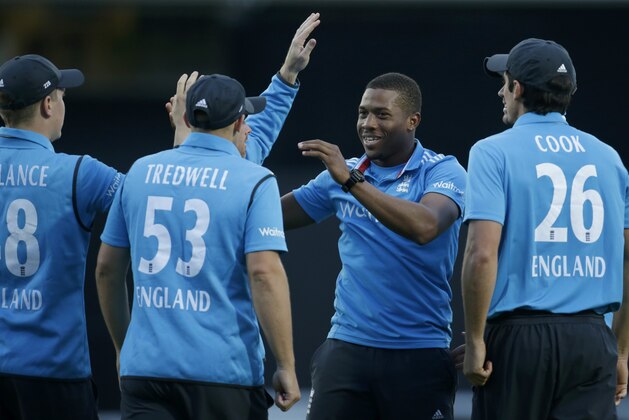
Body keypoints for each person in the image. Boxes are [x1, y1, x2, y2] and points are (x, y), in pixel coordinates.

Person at [95, 14, 319, 420]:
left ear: (185, 119)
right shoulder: (253, 180)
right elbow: (265, 274)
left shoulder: (140, 171)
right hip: (222, 375)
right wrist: (285, 364)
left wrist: (124, 347)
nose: (250, 127)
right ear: (237, 123)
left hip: (145, 371)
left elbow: (108, 270)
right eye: (246, 118)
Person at [281, 72, 467, 420]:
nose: (368, 123)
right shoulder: (342, 175)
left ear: (413, 121)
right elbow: (268, 217)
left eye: (382, 114)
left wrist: (351, 182)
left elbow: (424, 226)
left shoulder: (442, 170)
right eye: (363, 113)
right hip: (347, 349)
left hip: (419, 353)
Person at [462, 38, 629, 420]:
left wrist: (474, 342)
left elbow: (481, 253)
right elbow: (628, 258)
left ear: (517, 89)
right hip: (591, 340)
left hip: (519, 339)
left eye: (504, 82)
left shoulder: (492, 151)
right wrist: (621, 352)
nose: (501, 91)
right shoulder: (609, 158)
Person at [0, 54, 122, 420]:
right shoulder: (80, 173)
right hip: (56, 373)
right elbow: (156, 205)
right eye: (62, 95)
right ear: (48, 104)